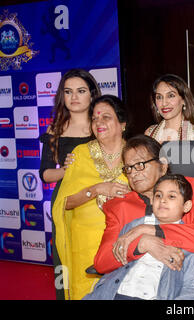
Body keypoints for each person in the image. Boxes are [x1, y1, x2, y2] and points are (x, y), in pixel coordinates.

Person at [92, 134, 194, 300]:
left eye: (140, 165)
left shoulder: (188, 189)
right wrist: (141, 244)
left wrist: (150, 230)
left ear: (163, 166)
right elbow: (102, 261)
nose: (133, 173)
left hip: (182, 289)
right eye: (128, 168)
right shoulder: (120, 206)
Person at [52, 94, 130, 300]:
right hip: (85, 242)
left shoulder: (135, 154)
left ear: (122, 124)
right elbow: (65, 203)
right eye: (95, 119)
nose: (99, 123)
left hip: (125, 242)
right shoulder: (80, 154)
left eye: (106, 117)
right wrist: (96, 189)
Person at [84, 174, 194, 300]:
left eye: (171, 196)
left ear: (186, 206)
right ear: (152, 199)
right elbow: (115, 255)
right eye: (158, 195)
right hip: (114, 292)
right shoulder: (134, 226)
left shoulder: (190, 238)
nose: (163, 200)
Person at [39, 68, 101, 300]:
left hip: (98, 204)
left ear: (92, 95)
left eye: (81, 91)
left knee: (96, 259)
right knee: (64, 259)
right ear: (62, 96)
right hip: (64, 204)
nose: (74, 97)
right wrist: (66, 171)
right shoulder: (55, 129)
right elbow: (44, 174)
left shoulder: (101, 126)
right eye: (68, 91)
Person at [145, 74, 194, 142]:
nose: (164, 103)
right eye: (159, 97)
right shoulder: (150, 133)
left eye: (171, 96)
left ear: (184, 100)